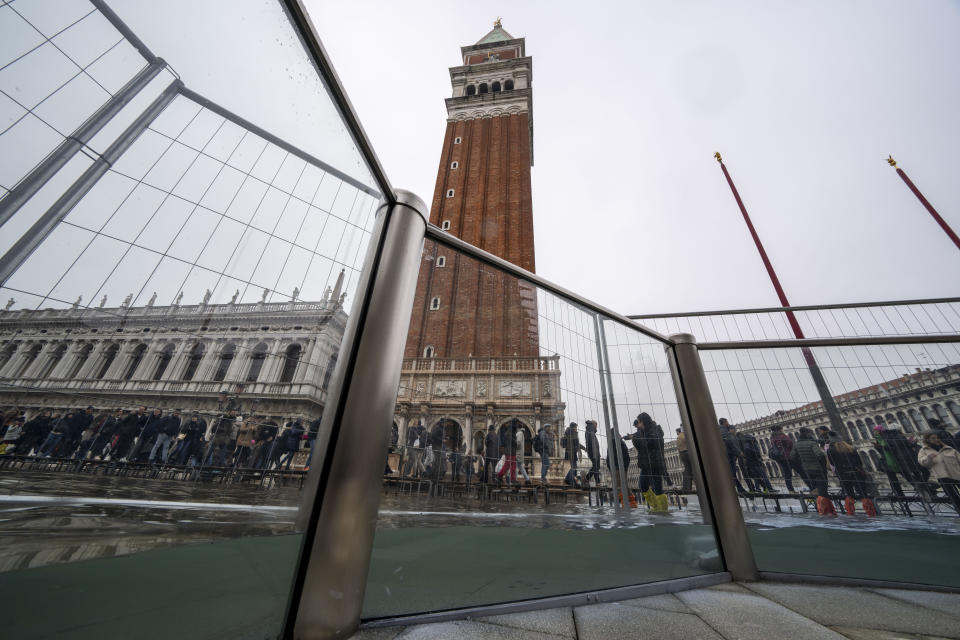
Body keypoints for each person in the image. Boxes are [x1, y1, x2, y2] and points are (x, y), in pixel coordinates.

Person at [827, 436, 876, 516]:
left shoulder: (830, 451)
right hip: (856, 473)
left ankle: (850, 513)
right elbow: (859, 462)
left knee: (849, 495)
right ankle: (870, 513)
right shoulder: (851, 448)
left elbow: (832, 463)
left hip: (843, 475)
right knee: (863, 494)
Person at [791, 427, 836, 515]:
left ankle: (823, 510)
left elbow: (792, 456)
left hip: (807, 470)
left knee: (816, 490)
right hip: (817, 469)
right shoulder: (812, 443)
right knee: (823, 491)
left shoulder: (796, 444)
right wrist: (823, 464)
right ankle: (827, 512)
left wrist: (801, 462)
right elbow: (819, 454)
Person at [918, 431, 960, 515]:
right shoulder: (924, 450)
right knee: (954, 497)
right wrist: (928, 458)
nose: (936, 440)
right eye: (933, 438)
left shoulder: (948, 448)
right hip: (942, 477)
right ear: (928, 440)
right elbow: (922, 462)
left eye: (937, 438)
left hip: (956, 474)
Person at [718, 418, 748, 493]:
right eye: (727, 421)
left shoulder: (719, 430)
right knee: (732, 472)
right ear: (725, 422)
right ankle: (738, 488)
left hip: (723, 454)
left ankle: (739, 488)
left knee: (731, 472)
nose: (728, 423)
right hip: (729, 453)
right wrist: (739, 452)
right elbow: (730, 442)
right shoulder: (725, 431)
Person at [768, 425, 800, 493]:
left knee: (787, 474)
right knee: (800, 470)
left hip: (781, 458)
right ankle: (812, 487)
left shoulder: (772, 437)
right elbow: (790, 443)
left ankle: (790, 490)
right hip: (788, 457)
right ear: (780, 430)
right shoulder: (782, 436)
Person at [497, 419, 519, 484]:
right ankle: (512, 479)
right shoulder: (510, 430)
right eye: (517, 423)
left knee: (508, 465)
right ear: (515, 423)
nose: (518, 425)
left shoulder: (511, 430)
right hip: (510, 451)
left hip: (510, 450)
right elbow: (509, 439)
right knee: (512, 465)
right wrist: (515, 442)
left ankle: (499, 476)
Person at [562, 422, 582, 486]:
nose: (576, 429)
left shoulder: (567, 433)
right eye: (576, 427)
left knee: (573, 467)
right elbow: (577, 444)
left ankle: (572, 480)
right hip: (572, 452)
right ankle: (568, 480)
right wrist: (582, 451)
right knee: (574, 467)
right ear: (573, 427)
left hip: (569, 452)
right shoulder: (573, 434)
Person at [583, 420, 601, 485]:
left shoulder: (591, 431)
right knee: (596, 466)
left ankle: (587, 478)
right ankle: (597, 482)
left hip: (595, 452)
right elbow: (591, 443)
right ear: (593, 425)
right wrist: (593, 453)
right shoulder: (590, 431)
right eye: (596, 425)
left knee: (597, 466)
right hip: (593, 452)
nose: (597, 427)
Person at [676, 427, 693, 492]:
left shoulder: (678, 438)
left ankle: (686, 487)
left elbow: (678, 448)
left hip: (682, 454)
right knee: (691, 470)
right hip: (687, 453)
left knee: (687, 470)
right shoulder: (684, 435)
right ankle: (688, 487)